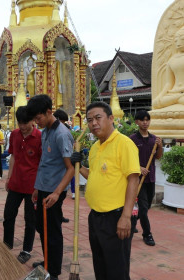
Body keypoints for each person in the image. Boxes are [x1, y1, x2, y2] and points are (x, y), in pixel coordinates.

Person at [71, 101, 140, 280]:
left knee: (117, 270)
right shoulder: (95, 148)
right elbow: (93, 175)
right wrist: (78, 165)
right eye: (90, 120)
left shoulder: (124, 143)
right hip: (96, 217)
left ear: (111, 118)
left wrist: (126, 217)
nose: (94, 123)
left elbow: (133, 179)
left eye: (98, 118)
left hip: (116, 217)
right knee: (100, 267)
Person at [27, 95, 75, 280]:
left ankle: (53, 271)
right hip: (43, 188)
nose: (36, 122)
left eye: (38, 118)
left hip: (55, 190)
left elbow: (70, 168)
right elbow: (45, 163)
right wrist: (37, 187)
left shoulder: (62, 134)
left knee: (52, 230)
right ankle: (47, 261)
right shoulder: (46, 130)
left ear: (49, 112)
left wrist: (56, 193)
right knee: (41, 226)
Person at [3, 106, 42, 264]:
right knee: (8, 215)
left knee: (30, 219)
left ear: (33, 121)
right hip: (15, 183)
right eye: (20, 123)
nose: (23, 126)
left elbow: (42, 163)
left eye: (25, 123)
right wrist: (8, 177)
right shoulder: (14, 134)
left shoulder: (39, 136)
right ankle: (7, 245)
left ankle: (26, 250)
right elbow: (12, 157)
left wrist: (38, 186)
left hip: (32, 186)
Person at [130, 110, 163, 246]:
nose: (145, 122)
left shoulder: (153, 139)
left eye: (147, 120)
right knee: (143, 208)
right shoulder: (132, 139)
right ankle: (147, 234)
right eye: (142, 120)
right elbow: (127, 159)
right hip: (138, 179)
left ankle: (132, 221)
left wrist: (160, 146)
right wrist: (138, 168)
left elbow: (158, 156)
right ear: (137, 122)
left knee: (147, 205)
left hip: (151, 179)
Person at [153, 26, 184, 109]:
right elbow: (169, 83)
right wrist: (160, 96)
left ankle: (177, 99)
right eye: (176, 41)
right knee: (156, 103)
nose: (179, 43)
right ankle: (178, 99)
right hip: (173, 93)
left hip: (180, 92)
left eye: (182, 39)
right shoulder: (172, 60)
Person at [53, 109, 74, 223]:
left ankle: (58, 216)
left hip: (63, 169)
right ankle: (58, 216)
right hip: (55, 173)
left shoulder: (63, 132)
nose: (63, 125)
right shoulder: (50, 132)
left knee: (60, 197)